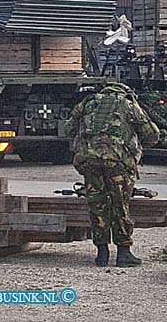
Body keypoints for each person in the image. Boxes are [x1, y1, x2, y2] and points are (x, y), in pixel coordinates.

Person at [67, 82, 160, 267]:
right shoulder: (127, 104)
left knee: (97, 205)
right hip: (117, 162)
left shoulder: (88, 102)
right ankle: (123, 253)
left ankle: (101, 254)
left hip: (89, 160)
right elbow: (152, 135)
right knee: (120, 205)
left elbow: (69, 128)